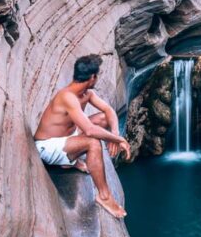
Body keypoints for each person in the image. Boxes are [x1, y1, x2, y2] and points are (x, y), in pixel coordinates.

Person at [34, 54, 131, 219]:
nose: (97, 78)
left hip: (66, 138)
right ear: (92, 77)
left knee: (102, 118)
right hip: (47, 147)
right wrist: (119, 140)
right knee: (93, 143)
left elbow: (109, 112)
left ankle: (70, 161)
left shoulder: (87, 94)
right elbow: (91, 131)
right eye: (97, 75)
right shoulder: (67, 97)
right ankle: (104, 197)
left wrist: (114, 133)